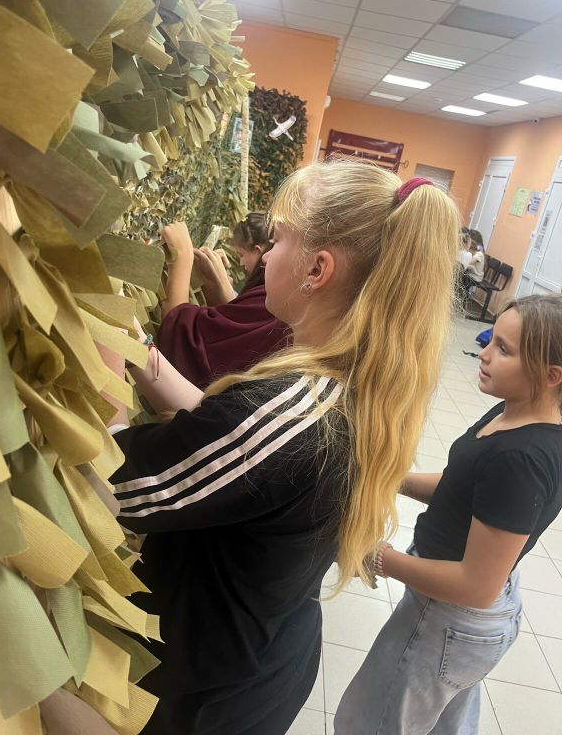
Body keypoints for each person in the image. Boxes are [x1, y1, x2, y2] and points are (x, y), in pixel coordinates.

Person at [105, 162, 460, 735]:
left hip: (208, 691)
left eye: (279, 239)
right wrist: (143, 356)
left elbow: (118, 487)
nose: (267, 256)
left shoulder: (291, 415)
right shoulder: (354, 387)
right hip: (262, 657)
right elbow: (229, 439)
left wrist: (98, 358)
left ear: (317, 269)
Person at [335, 293, 562, 735]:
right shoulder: (514, 411)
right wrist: (391, 478)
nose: (484, 353)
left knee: (372, 724)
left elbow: (476, 586)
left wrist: (380, 557)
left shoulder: (521, 459)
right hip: (466, 619)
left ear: (552, 375)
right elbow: (462, 487)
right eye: (491, 340)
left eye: (503, 349)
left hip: (452, 618)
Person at [156, 213, 289, 387]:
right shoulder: (287, 304)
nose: (265, 257)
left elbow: (180, 340)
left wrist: (182, 257)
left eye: (277, 242)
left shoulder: (281, 307)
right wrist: (226, 301)